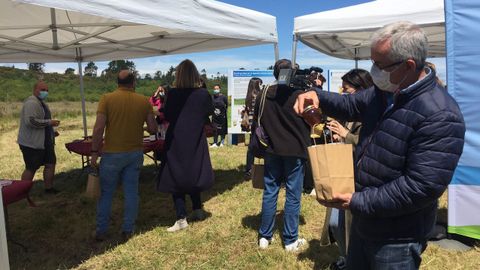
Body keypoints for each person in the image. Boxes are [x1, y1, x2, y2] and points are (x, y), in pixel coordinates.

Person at [294, 21, 465, 269]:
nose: (373, 70)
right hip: (366, 218)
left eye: (379, 64)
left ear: (408, 66)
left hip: (397, 235)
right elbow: (350, 106)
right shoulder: (387, 90)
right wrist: (316, 96)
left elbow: (420, 186)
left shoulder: (440, 115)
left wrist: (357, 201)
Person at [91, 70, 157, 241]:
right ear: (133, 82)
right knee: (131, 192)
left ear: (117, 83)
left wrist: (94, 152)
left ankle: (101, 230)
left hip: (112, 153)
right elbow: (152, 129)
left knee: (106, 194)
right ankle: (128, 229)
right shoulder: (143, 101)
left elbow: (98, 128)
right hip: (135, 153)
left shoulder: (107, 99)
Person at [257, 59, 311, 252]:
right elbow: (312, 120)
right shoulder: (300, 95)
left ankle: (265, 236)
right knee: (293, 194)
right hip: (295, 150)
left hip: (271, 148)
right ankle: (290, 240)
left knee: (270, 191)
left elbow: (258, 118)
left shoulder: (264, 94)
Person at [321, 68, 373, 270]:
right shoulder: (348, 111)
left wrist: (345, 135)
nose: (343, 93)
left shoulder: (371, 113)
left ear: (361, 89)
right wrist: (337, 135)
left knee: (349, 225)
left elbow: (369, 144)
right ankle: (345, 257)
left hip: (358, 177)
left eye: (347, 89)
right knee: (335, 224)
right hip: (341, 171)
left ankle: (352, 261)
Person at [157, 59, 214, 232]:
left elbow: (166, 114)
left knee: (177, 175)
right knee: (193, 171)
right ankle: (197, 209)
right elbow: (208, 112)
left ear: (179, 75)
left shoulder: (173, 94)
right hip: (196, 138)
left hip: (177, 139)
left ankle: (181, 218)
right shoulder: (203, 94)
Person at [17, 81, 60, 194]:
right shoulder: (31, 103)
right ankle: (22, 192)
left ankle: (49, 188)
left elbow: (42, 121)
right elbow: (31, 122)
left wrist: (51, 132)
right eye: (42, 90)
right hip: (32, 143)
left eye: (47, 90)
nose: (45, 92)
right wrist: (49, 123)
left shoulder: (42, 103)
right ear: (35, 90)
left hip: (45, 141)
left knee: (50, 164)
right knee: (31, 168)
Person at [244, 77, 263, 179]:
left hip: (252, 125)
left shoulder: (248, 96)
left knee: (251, 147)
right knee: (263, 145)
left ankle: (248, 169)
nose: (260, 85)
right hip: (259, 124)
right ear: (256, 84)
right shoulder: (258, 96)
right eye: (259, 84)